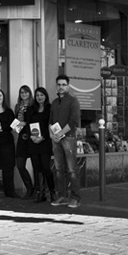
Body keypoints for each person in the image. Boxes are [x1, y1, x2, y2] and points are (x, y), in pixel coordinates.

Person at [49, 74, 81, 208]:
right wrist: (52, 135)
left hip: (68, 137)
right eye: (59, 85)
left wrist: (60, 133)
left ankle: (75, 197)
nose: (61, 87)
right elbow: (50, 121)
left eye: (63, 85)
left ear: (68, 86)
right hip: (56, 139)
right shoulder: (55, 102)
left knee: (71, 169)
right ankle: (61, 195)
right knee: (58, 169)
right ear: (56, 86)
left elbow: (73, 121)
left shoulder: (73, 101)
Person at [27, 87, 56, 203]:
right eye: (37, 95)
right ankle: (41, 193)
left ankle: (52, 192)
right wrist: (32, 137)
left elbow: (50, 124)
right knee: (37, 168)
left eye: (42, 95)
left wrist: (42, 137)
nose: (39, 97)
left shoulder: (50, 109)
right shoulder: (31, 109)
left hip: (45, 142)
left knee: (46, 167)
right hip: (33, 142)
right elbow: (28, 124)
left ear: (46, 96)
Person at [14, 85, 35, 199]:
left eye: (26, 92)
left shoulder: (33, 105)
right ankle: (29, 188)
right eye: (22, 92)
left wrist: (25, 123)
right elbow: (16, 121)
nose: (24, 94)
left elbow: (35, 121)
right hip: (22, 138)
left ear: (30, 93)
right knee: (20, 165)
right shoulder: (18, 106)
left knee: (37, 165)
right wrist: (16, 126)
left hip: (33, 137)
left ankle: (38, 189)